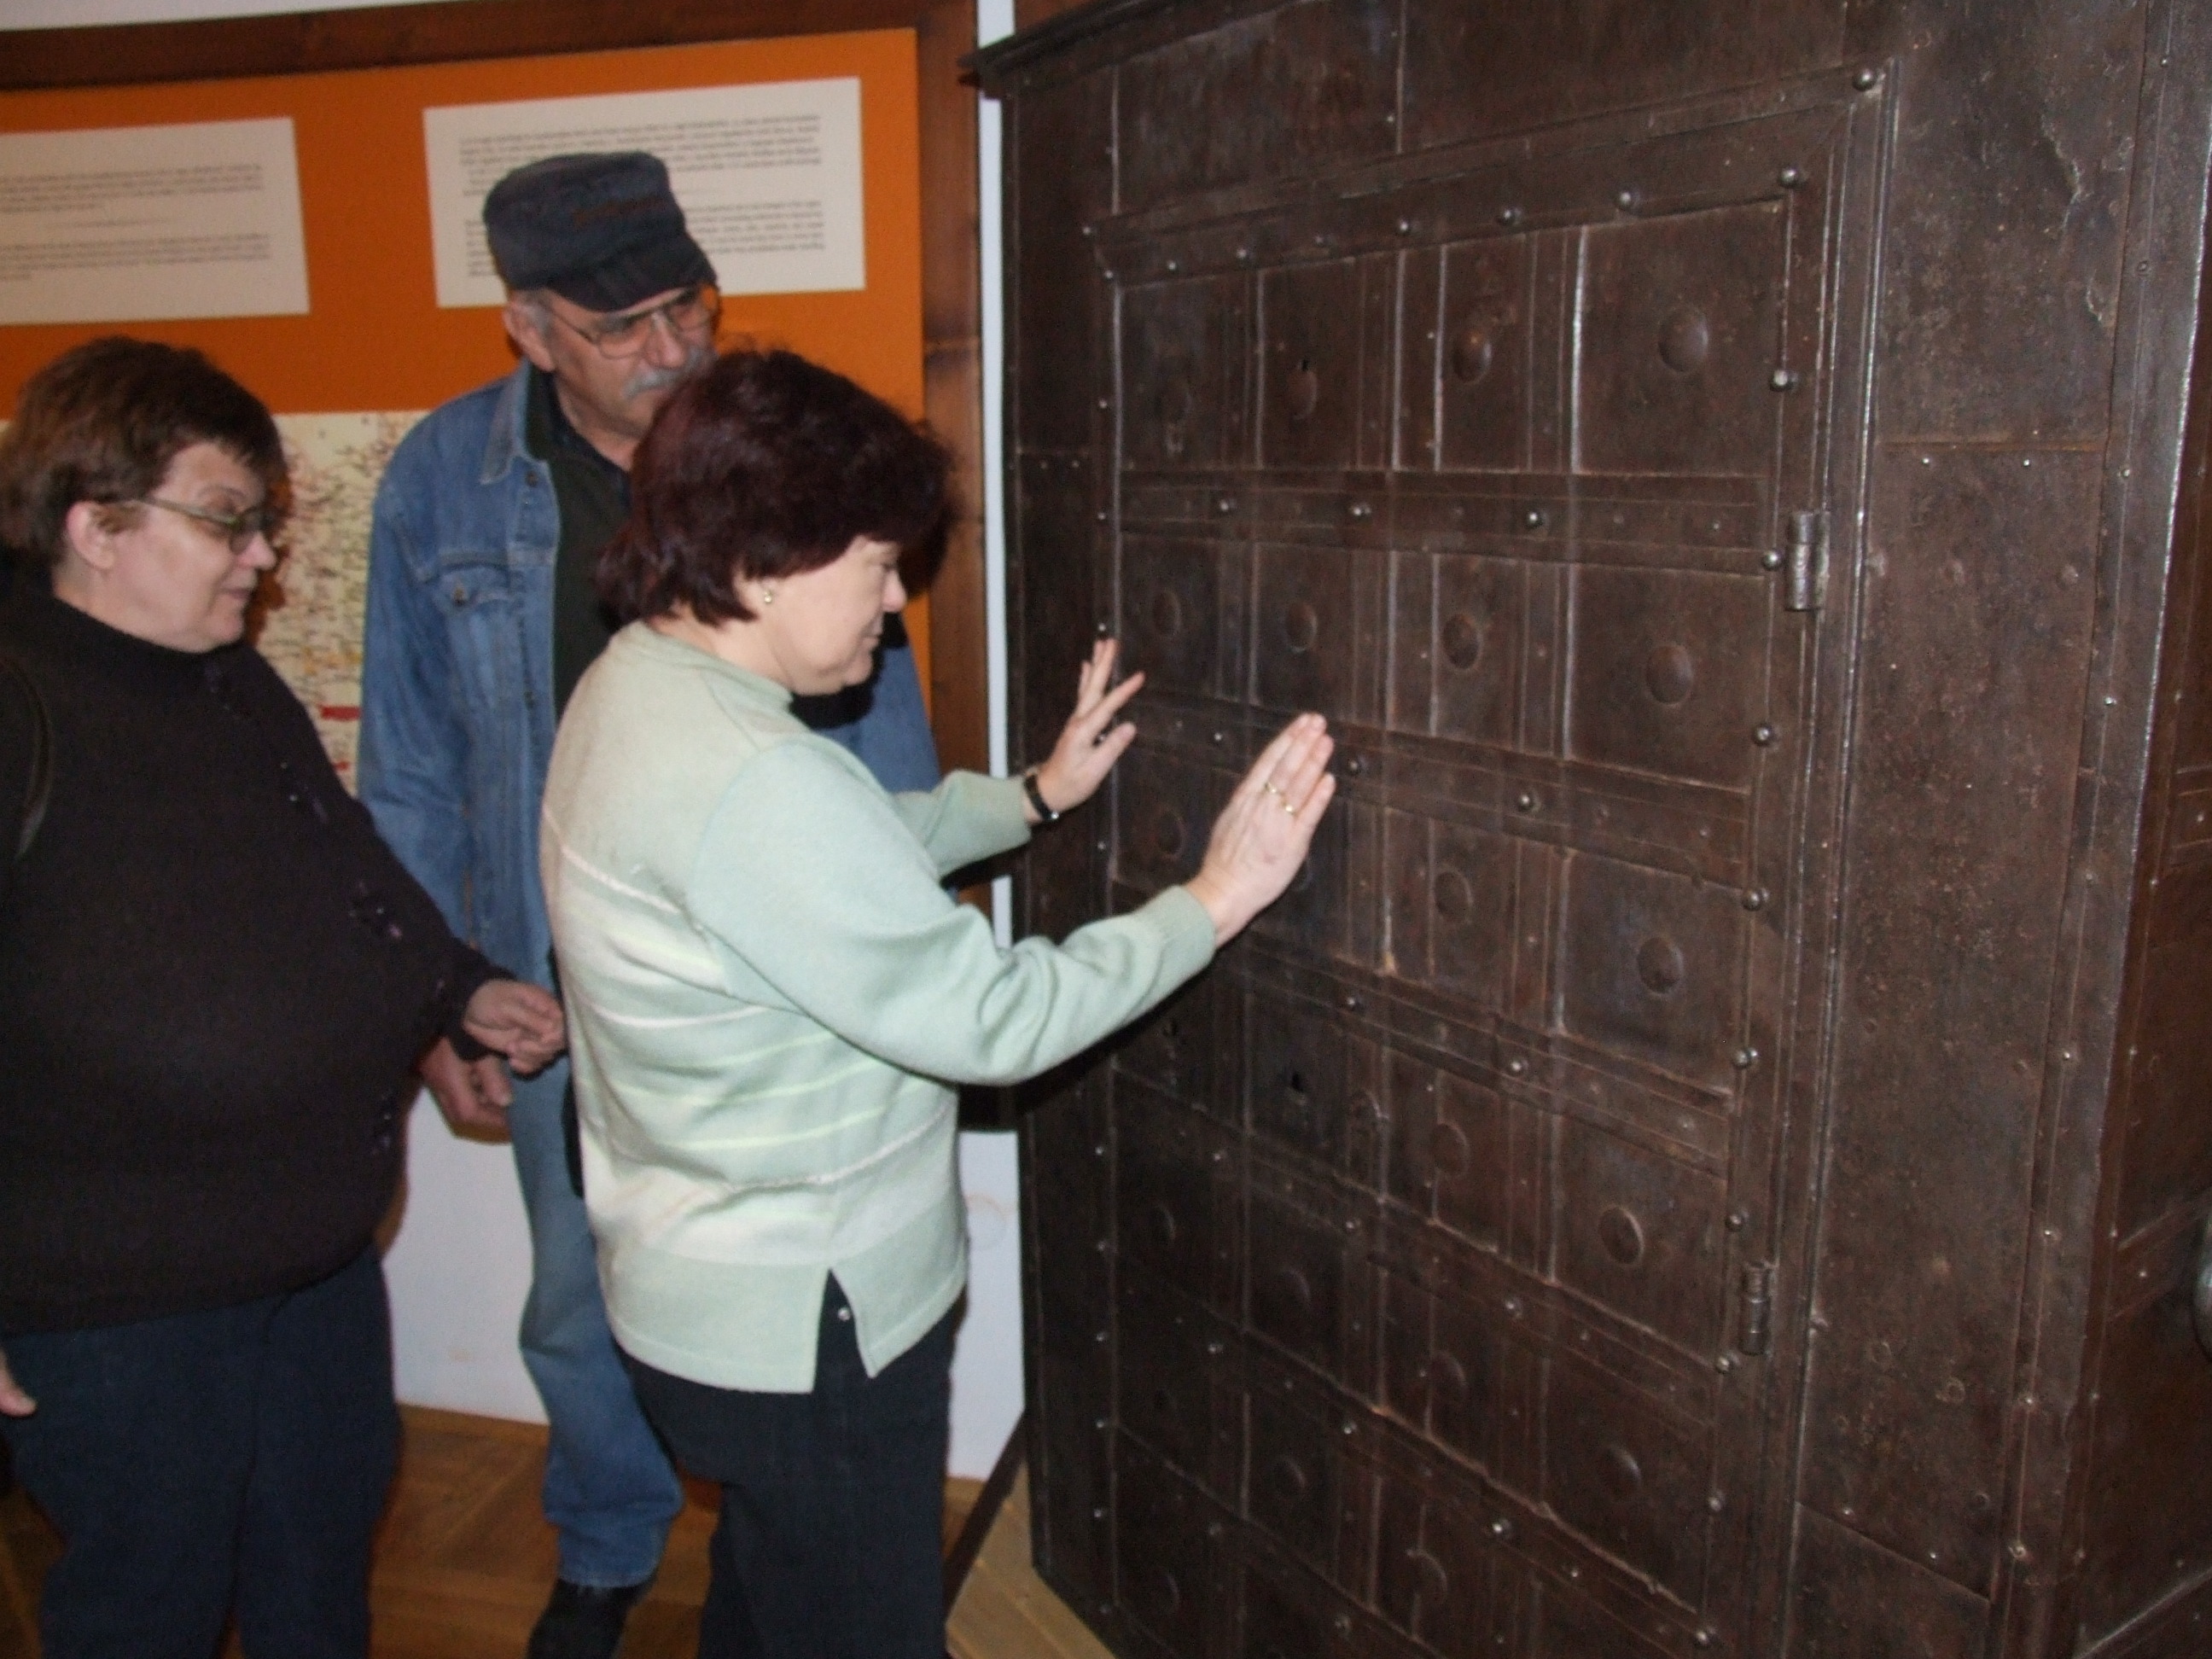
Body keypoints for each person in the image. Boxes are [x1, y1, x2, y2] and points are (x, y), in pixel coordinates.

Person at [542, 347, 1336, 1658]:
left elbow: (826, 867)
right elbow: (994, 1021)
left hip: (699, 1297)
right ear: (762, 566)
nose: (893, 602)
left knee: (773, 1594)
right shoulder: (751, 776)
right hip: (807, 1323)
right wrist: (1214, 899)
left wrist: (1028, 798)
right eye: (873, 566)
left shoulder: (639, 685)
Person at [357, 153, 941, 1655]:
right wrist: (435, 995)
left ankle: (773, 1529)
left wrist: (908, 936)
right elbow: (410, 770)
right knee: (579, 1298)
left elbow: (882, 729)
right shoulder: (441, 480)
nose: (673, 347)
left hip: (772, 963)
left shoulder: (778, 449)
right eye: (622, 325)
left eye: (690, 304)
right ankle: (610, 1546)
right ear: (529, 327)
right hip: (551, 981)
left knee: (789, 1308)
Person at [0, 336, 566, 1656]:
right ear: (96, 527)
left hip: (312, 1262)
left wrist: (455, 989)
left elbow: (346, 868)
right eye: (226, 520)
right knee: (149, 1604)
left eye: (265, 521)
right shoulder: (20, 703)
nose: (262, 555)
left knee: (318, 1574)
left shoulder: (226, 675)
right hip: (118, 1302)